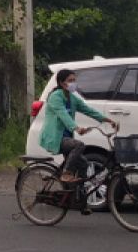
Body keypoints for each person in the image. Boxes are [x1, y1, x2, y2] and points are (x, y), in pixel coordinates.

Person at [38, 69, 117, 207]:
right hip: (55, 138)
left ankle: (75, 199)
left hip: (66, 137)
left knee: (84, 164)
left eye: (74, 80)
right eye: (70, 81)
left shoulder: (72, 98)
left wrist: (108, 120)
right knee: (79, 145)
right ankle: (66, 173)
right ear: (62, 83)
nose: (73, 83)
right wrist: (77, 128)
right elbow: (63, 115)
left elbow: (88, 110)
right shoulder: (56, 97)